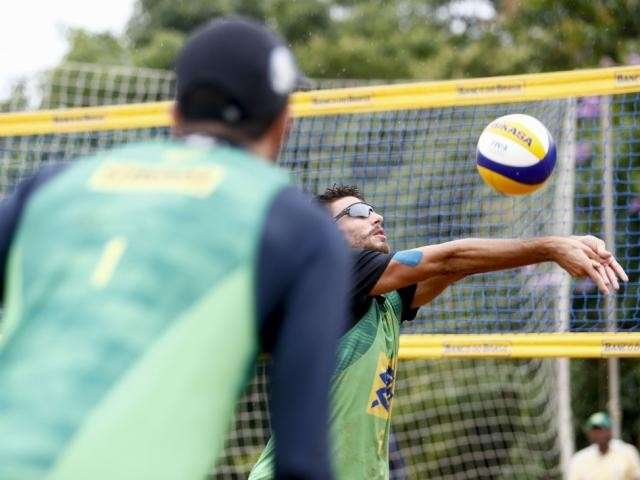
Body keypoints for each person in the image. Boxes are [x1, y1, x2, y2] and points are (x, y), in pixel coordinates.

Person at [0, 18, 350, 480]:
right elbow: (301, 464)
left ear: (175, 114)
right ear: (283, 125)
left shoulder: (48, 187)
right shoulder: (300, 227)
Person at [250, 184, 628, 480]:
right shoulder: (337, 271)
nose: (377, 216)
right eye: (359, 211)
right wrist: (550, 246)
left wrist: (566, 245)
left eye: (373, 209)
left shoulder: (384, 300)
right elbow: (449, 257)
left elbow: (452, 268)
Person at [569, 412, 640, 480]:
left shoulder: (627, 452)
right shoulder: (580, 459)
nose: (599, 434)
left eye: (602, 430)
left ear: (610, 431)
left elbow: (636, 477)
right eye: (595, 431)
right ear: (589, 434)